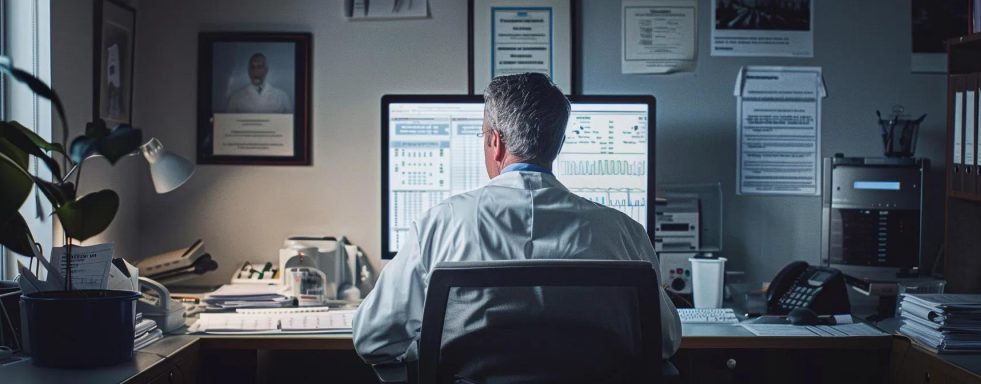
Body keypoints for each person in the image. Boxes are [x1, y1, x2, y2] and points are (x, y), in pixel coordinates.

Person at [353, 73, 681, 371]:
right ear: (559, 145)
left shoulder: (440, 224)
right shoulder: (624, 232)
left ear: (496, 142)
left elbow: (373, 339)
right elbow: (665, 342)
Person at [225, 53, 292, 114]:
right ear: (248, 71)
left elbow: (289, 123)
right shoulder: (235, 98)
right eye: (252, 67)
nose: (255, 71)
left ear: (266, 70)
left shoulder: (282, 97)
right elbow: (230, 124)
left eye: (259, 67)